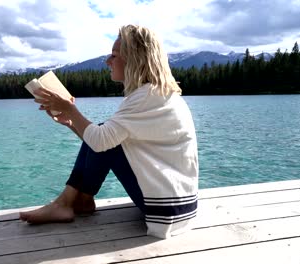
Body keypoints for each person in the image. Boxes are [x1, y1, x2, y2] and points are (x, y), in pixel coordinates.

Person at [19, 24, 198, 239]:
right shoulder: (157, 94)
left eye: (114, 55)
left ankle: (66, 203)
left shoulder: (146, 97)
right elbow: (100, 142)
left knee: (104, 134)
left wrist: (71, 110)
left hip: (166, 211)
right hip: (178, 207)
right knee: (105, 133)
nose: (107, 61)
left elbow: (101, 142)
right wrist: (70, 121)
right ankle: (81, 200)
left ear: (135, 58)